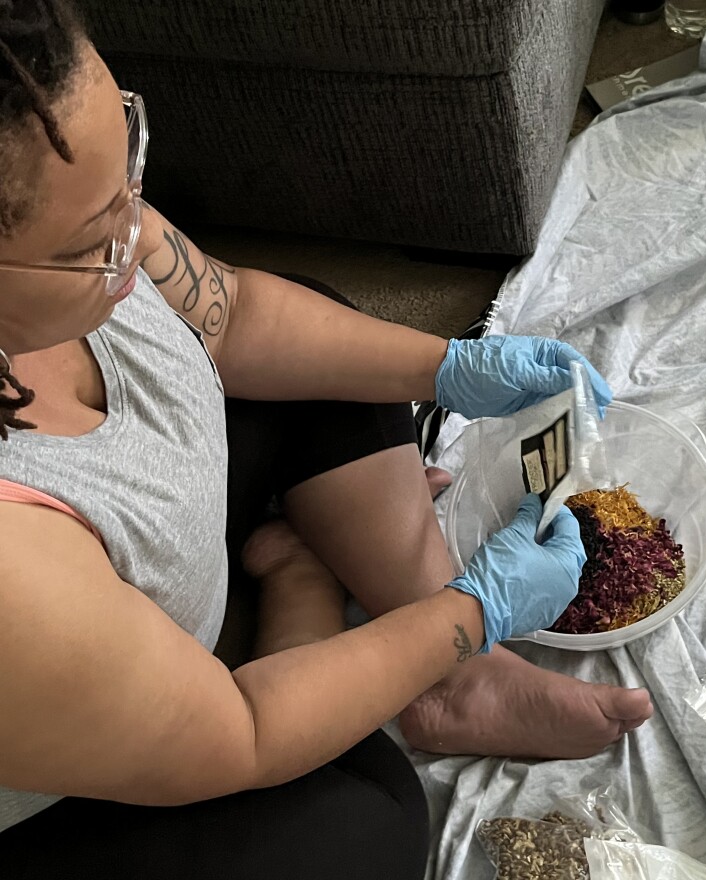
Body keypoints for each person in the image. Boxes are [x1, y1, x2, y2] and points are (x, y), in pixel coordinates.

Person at [0, 2, 654, 878]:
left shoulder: (69, 197)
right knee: (365, 822)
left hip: (109, 577)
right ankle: (307, 588)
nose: (136, 229)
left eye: (130, 178)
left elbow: (230, 317)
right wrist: (471, 611)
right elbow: (243, 735)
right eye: (93, 239)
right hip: (82, 742)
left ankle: (452, 677)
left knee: (336, 350)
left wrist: (451, 365)